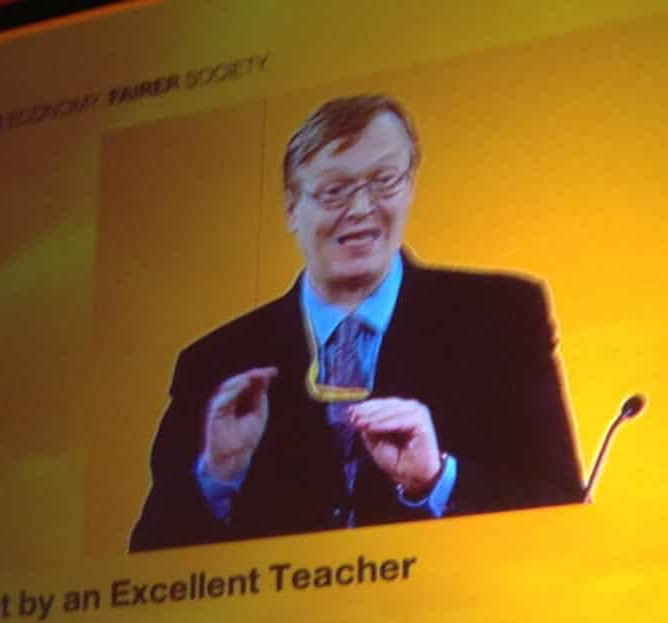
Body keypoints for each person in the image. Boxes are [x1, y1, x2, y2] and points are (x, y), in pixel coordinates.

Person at [128, 94, 584, 552]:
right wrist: (218, 476)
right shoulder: (217, 362)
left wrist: (436, 479)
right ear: (290, 207)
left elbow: (558, 507)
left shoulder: (500, 316)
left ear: (410, 187)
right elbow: (147, 559)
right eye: (335, 190)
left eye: (385, 181)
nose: (363, 209)